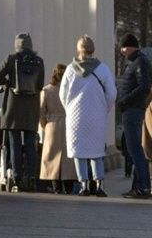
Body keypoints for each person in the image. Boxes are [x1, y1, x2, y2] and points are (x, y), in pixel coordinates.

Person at [59, 35, 117, 196]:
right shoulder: (103, 69)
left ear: (78, 50)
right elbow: (112, 93)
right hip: (97, 116)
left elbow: (62, 94)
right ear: (93, 50)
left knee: (79, 151)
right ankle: (99, 185)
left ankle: (84, 185)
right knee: (97, 151)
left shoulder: (71, 69)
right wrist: (104, 108)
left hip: (76, 117)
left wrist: (69, 108)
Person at [0, 33, 45, 191]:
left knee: (14, 143)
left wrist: (8, 82)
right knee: (30, 143)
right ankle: (31, 177)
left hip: (13, 106)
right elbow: (40, 84)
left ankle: (17, 177)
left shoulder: (11, 59)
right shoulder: (39, 61)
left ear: (17, 45)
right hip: (31, 108)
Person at [115, 33, 151, 198]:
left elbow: (144, 87)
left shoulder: (140, 61)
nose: (121, 51)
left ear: (130, 46)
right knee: (135, 150)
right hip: (131, 110)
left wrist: (125, 101)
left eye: (123, 47)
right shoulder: (134, 62)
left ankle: (143, 187)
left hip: (133, 110)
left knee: (135, 150)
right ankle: (138, 186)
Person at [39, 63, 75, 194]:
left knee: (52, 158)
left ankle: (56, 188)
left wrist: (45, 126)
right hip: (68, 124)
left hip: (52, 124)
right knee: (69, 159)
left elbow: (41, 112)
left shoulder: (47, 90)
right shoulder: (71, 90)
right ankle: (69, 187)